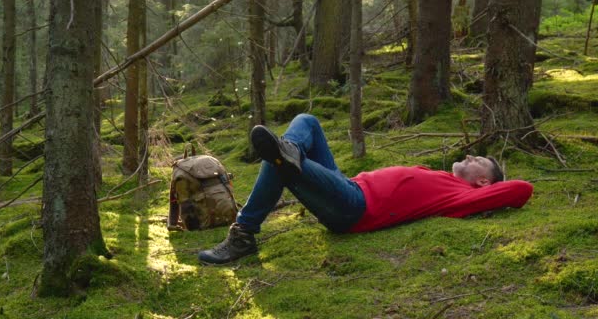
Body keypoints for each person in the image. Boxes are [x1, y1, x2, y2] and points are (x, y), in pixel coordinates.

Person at [198, 114, 533, 264]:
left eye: (478, 160)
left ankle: (243, 234)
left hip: (354, 208)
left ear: (483, 182)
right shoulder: (440, 177)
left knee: (280, 162)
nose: (470, 154)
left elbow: (521, 189)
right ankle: (287, 150)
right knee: (307, 122)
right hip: (347, 186)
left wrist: (488, 191)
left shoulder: (463, 196)